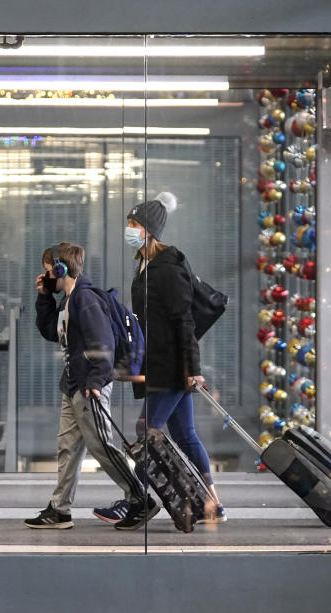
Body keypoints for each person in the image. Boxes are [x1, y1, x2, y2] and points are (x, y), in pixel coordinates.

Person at [98, 192, 226, 524]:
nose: (129, 228)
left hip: (171, 365)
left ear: (150, 230)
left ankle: (136, 500)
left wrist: (193, 369)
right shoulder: (146, 264)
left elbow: (184, 320)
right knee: (184, 435)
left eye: (134, 223)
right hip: (160, 363)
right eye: (129, 222)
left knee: (147, 431)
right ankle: (213, 504)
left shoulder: (168, 266)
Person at [24, 242, 158, 531]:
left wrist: (96, 381)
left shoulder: (85, 299)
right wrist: (45, 297)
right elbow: (51, 332)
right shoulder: (69, 300)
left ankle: (139, 499)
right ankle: (59, 510)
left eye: (48, 271)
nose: (45, 275)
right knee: (67, 448)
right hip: (73, 384)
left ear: (61, 269)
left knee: (101, 446)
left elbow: (103, 343)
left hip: (89, 386)